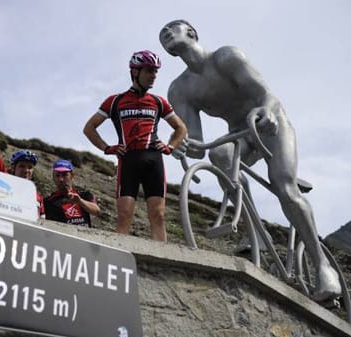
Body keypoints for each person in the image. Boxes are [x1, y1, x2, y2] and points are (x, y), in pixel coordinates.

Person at [159, 19, 340, 300]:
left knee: (284, 187)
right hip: (240, 134)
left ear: (192, 32)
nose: (167, 34)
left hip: (269, 124)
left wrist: (267, 112)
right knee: (219, 153)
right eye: (163, 35)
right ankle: (255, 235)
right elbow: (196, 145)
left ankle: (323, 267)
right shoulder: (180, 89)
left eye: (173, 28)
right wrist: (181, 146)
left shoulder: (226, 57)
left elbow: (267, 96)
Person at [83, 50, 187, 241]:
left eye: (156, 71)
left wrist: (170, 147)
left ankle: (162, 259)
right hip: (128, 160)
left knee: (158, 216)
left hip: (153, 160)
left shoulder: (158, 101)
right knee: (124, 215)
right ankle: (119, 257)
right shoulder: (115, 101)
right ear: (135, 72)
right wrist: (107, 148)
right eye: (149, 71)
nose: (153, 75)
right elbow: (89, 128)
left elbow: (180, 128)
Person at [43, 159, 100, 227]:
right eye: (57, 175)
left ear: (72, 176)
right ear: (53, 177)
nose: (61, 179)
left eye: (65, 175)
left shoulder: (84, 195)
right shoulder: (48, 201)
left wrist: (79, 201)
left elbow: (96, 211)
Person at [10, 149, 45, 218]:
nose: (26, 170)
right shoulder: (3, 188)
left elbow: (42, 220)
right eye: (22, 166)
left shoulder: (38, 196)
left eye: (30, 167)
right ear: (13, 168)